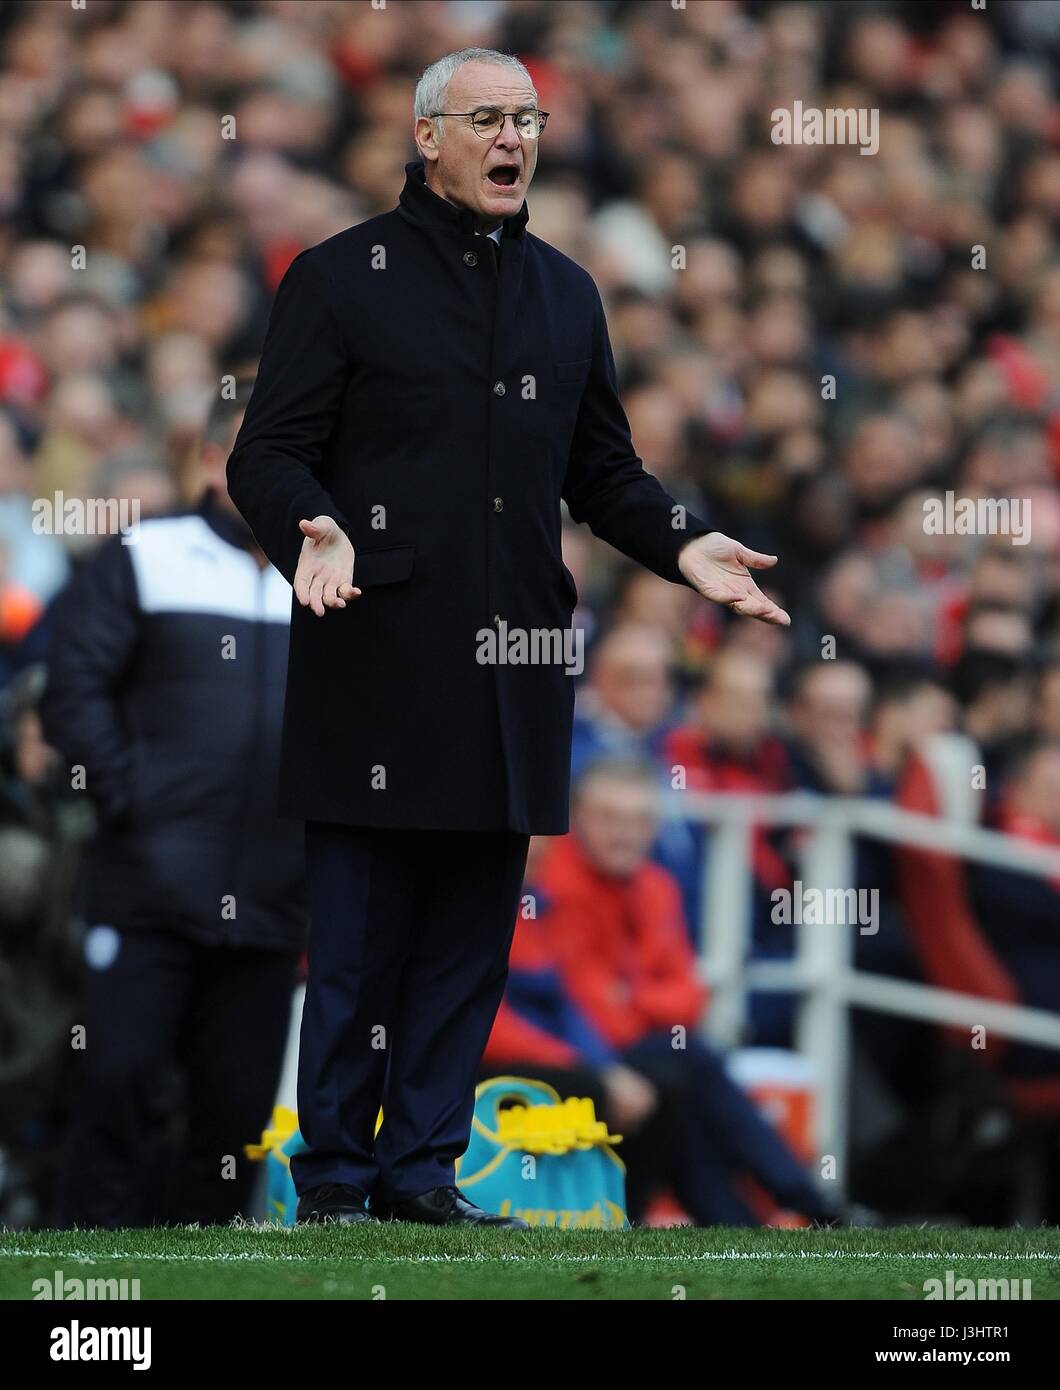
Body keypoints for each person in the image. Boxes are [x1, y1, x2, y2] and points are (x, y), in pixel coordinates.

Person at [225, 46, 789, 1229]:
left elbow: (604, 473)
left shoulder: (567, 292)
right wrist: (311, 527)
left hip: (515, 676)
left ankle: (423, 1172)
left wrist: (686, 548)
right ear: (426, 137)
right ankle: (332, 1180)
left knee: (466, 952)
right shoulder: (338, 278)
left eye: (526, 118)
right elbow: (264, 452)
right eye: (485, 118)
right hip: (375, 664)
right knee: (363, 946)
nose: (512, 138)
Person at [39, 383, 305, 1228]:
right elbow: (73, 691)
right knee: (115, 1084)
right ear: (210, 460)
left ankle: (204, 1280)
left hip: (273, 899)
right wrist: (131, 800)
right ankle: (82, 1266)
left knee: (234, 1114)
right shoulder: (145, 555)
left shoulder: (329, 577)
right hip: (148, 890)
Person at [528, 758, 836, 1226]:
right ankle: (804, 1202)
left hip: (641, 1054)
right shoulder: (555, 884)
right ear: (577, 821)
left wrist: (628, 995)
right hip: (570, 1058)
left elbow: (690, 999)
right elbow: (592, 1015)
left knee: (683, 1074)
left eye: (638, 820)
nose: (625, 833)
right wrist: (643, 1000)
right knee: (688, 1064)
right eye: (609, 818)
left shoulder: (656, 886)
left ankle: (746, 1225)